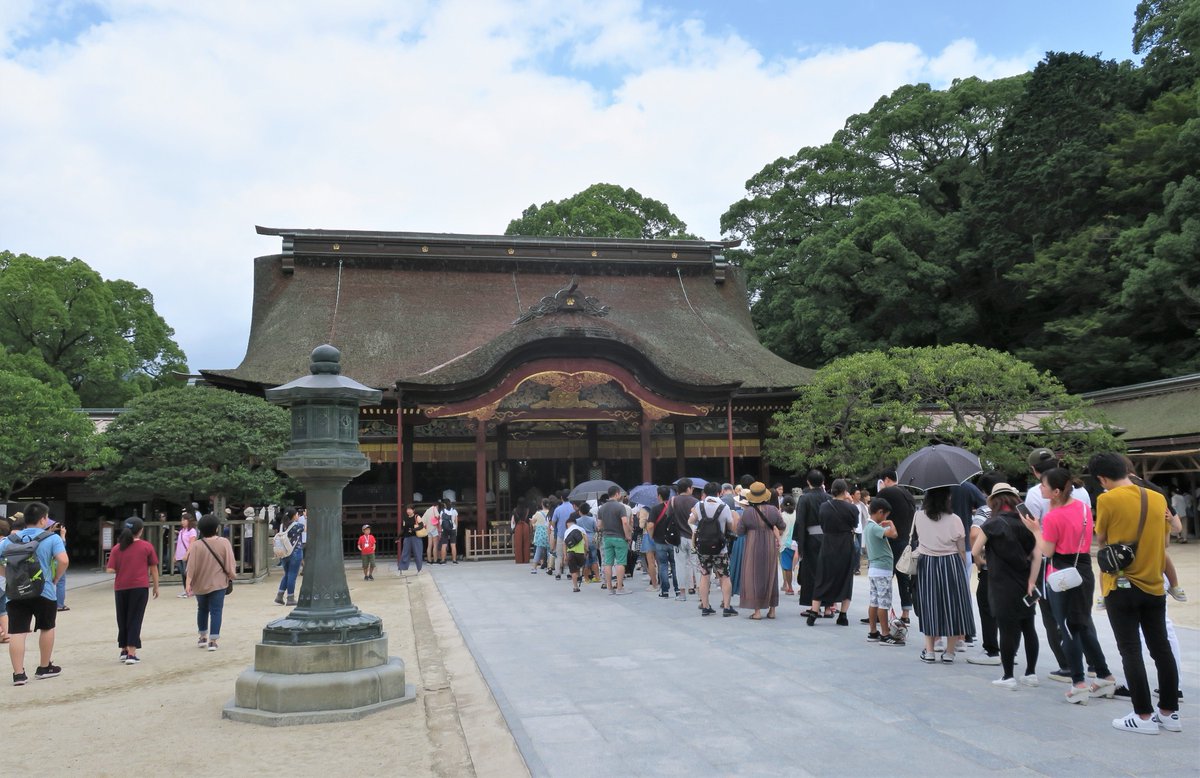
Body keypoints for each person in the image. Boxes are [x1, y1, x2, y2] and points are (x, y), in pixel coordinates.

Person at [1089, 452, 1180, 734]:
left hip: (1122, 583)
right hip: (1154, 583)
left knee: (1130, 649)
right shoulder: (1157, 497)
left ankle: (1142, 716)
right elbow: (1165, 538)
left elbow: (1101, 537)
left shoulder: (1106, 499)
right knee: (1161, 648)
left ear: (1102, 478)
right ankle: (1169, 712)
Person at [1022, 467, 1118, 704]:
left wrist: (1036, 530)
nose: (1040, 489)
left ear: (1055, 491)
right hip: (1083, 569)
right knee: (1082, 623)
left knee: (1067, 627)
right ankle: (1104, 674)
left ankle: (1078, 682)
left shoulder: (1053, 516)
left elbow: (1047, 550)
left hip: (1061, 572)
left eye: (1043, 486)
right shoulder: (1084, 508)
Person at [972, 484, 1039, 688]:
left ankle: (1008, 676)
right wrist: (1032, 581)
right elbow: (1038, 555)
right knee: (1029, 627)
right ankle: (1031, 673)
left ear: (994, 502)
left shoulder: (991, 524)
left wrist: (985, 562)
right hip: (1026, 582)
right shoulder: (1029, 523)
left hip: (1001, 583)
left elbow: (975, 551)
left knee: (1007, 629)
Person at [1022, 447, 1078, 682]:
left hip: (1049, 558)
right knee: (1078, 613)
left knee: (1052, 616)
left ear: (1035, 471)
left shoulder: (1036, 494)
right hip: (1077, 558)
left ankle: (1067, 665)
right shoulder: (1078, 490)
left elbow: (1031, 529)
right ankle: (1093, 663)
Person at [0, 502, 68, 685]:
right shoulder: (51, 538)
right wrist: (55, 578)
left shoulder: (9, 541)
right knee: (46, 626)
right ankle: (44, 667)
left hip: (15, 592)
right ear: (43, 519)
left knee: (17, 632)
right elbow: (63, 560)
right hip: (44, 590)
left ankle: (18, 674)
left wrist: (9, 577)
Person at [913, 487, 975, 664]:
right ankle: (949, 652)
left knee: (930, 605)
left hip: (928, 563)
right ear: (947, 497)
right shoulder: (955, 519)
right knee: (953, 605)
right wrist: (962, 568)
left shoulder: (919, 516)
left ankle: (930, 650)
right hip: (951, 563)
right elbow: (961, 549)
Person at [105, 517, 159, 664]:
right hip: (139, 587)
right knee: (135, 618)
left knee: (122, 619)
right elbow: (154, 568)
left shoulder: (117, 548)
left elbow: (110, 569)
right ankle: (131, 652)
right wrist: (156, 586)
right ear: (141, 531)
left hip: (121, 587)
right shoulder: (146, 547)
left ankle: (123, 648)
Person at [806, 478, 859, 626]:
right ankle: (842, 615)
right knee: (846, 579)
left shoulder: (824, 507)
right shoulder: (852, 508)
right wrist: (850, 502)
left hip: (828, 543)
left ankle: (814, 613)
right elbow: (855, 524)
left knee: (823, 577)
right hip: (845, 544)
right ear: (845, 491)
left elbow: (822, 524)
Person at [965, 472, 1003, 666]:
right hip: (1014, 568)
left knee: (987, 606)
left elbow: (973, 534)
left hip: (991, 566)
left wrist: (978, 558)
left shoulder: (986, 510)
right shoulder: (1019, 508)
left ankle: (991, 650)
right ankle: (1008, 649)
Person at [185, 513, 235, 652]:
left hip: (200, 583)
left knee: (202, 609)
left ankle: (202, 637)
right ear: (216, 528)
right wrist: (231, 575)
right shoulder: (224, 542)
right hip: (218, 583)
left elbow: (191, 567)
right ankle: (213, 641)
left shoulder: (196, 545)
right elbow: (230, 563)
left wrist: (188, 583)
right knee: (216, 611)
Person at [737, 482, 786, 620]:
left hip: (752, 545)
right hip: (770, 545)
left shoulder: (747, 512)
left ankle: (757, 611)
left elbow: (739, 531)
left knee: (754, 576)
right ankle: (772, 610)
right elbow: (782, 525)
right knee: (771, 574)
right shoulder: (773, 510)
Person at [689, 482, 737, 617]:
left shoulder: (699, 505)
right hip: (720, 548)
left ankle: (705, 606)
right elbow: (730, 526)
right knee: (724, 576)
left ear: (704, 492)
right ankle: (727, 607)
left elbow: (692, 521)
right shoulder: (724, 507)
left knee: (705, 575)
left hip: (703, 547)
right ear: (719, 492)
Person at [876, 469, 917, 623]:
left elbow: (875, 513)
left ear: (886, 480)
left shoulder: (886, 493)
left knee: (885, 576)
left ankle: (881, 613)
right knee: (904, 576)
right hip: (908, 540)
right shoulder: (908, 493)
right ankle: (906, 613)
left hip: (892, 540)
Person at [864, 496, 902, 645]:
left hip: (874, 568)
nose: (886, 518)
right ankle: (885, 634)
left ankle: (873, 631)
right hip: (882, 569)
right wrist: (891, 523)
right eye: (885, 515)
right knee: (883, 603)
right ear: (880, 512)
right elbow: (894, 534)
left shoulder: (868, 526)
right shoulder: (875, 527)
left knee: (874, 601)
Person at [792, 469, 832, 612]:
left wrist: (799, 544)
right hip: (828, 538)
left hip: (811, 539)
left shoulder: (805, 498)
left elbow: (800, 522)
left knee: (812, 573)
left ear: (808, 482)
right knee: (827, 571)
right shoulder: (829, 497)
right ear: (822, 482)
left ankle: (814, 607)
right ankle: (828, 606)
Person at [598, 486, 631, 595]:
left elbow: (599, 525)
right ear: (617, 494)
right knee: (620, 562)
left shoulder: (602, 508)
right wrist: (627, 535)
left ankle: (609, 587)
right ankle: (619, 587)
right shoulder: (620, 507)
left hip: (607, 538)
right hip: (619, 537)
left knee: (608, 562)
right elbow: (625, 522)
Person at [649, 486, 681, 600]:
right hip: (673, 540)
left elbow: (651, 525)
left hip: (659, 540)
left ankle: (665, 591)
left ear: (659, 496)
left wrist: (651, 535)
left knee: (662, 565)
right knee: (675, 565)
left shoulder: (655, 509)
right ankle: (678, 589)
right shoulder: (675, 507)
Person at [672, 479, 700, 596]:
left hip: (679, 537)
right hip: (693, 536)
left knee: (680, 564)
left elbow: (669, 516)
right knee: (696, 564)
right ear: (688, 488)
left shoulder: (673, 500)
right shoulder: (695, 501)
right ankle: (700, 592)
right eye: (692, 488)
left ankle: (682, 592)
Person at [273, 508, 305, 606]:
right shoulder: (297, 526)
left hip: (284, 553)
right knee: (292, 575)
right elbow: (307, 529)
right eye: (297, 514)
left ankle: (279, 595)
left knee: (287, 574)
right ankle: (290, 597)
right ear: (294, 516)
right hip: (295, 552)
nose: (298, 516)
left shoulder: (283, 525)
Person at [778, 495, 798, 596]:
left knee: (787, 567)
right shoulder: (798, 514)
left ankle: (789, 587)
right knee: (799, 566)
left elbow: (780, 531)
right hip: (797, 544)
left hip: (785, 544)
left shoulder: (781, 516)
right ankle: (801, 587)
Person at [563, 514, 588, 592]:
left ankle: (575, 587)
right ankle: (580, 577)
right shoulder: (581, 529)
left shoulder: (567, 531)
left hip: (571, 553)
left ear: (567, 524)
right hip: (580, 552)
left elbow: (564, 544)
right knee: (578, 567)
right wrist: (586, 551)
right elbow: (586, 541)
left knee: (573, 570)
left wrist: (565, 555)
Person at [175, 512, 197, 598]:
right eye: (182, 520)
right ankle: (186, 589)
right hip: (179, 555)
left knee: (187, 573)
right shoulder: (181, 531)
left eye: (184, 520)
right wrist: (175, 555)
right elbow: (179, 544)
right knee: (182, 573)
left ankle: (190, 589)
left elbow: (192, 544)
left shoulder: (192, 531)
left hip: (187, 554)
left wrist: (187, 554)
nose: (182, 521)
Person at [399, 506, 426, 574]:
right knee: (405, 553)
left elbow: (421, 526)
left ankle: (419, 569)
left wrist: (413, 529)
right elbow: (404, 529)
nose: (408, 511)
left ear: (413, 510)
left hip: (416, 537)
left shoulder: (417, 517)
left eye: (410, 509)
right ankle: (402, 569)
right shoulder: (405, 518)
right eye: (407, 509)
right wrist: (398, 537)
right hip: (407, 537)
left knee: (417, 553)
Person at [530, 498, 551, 573]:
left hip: (540, 535)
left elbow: (533, 522)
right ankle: (549, 568)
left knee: (538, 551)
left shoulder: (538, 514)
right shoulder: (551, 512)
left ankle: (534, 568)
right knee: (549, 551)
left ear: (542, 504)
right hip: (549, 534)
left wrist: (533, 523)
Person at [511, 497, 532, 565]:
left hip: (518, 527)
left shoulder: (515, 510)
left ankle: (519, 560)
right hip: (526, 526)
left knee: (518, 544)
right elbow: (529, 520)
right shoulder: (527, 510)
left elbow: (513, 521)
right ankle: (526, 559)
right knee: (526, 544)